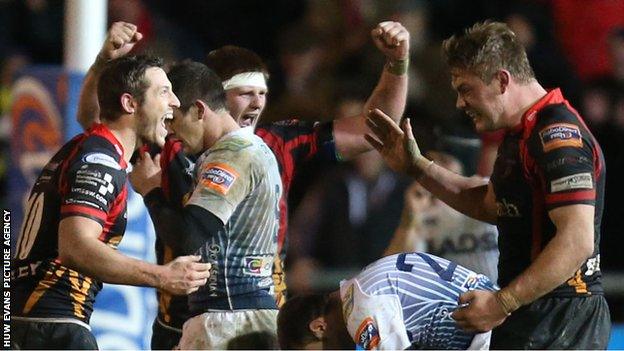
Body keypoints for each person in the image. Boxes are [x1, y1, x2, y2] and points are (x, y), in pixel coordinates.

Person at [76, 21, 410, 349]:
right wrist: (104, 63)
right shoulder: (168, 138)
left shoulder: (276, 142)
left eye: (262, 93)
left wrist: (397, 64)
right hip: (176, 320)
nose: (257, 104)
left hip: (249, 315)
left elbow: (378, 128)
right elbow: (97, 121)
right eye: (245, 93)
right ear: (208, 99)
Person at [365, 21, 610, 349]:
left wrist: (501, 303)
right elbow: (489, 203)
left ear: (502, 80)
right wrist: (417, 167)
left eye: (465, 89)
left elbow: (577, 240)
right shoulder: (520, 135)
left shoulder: (557, 137)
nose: (459, 103)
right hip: (532, 312)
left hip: (563, 316)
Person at [10, 55, 211, 349]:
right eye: (163, 92)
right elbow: (76, 246)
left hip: (30, 322)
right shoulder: (102, 161)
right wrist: (162, 276)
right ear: (130, 104)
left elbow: (91, 113)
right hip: (51, 329)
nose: (176, 102)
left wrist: (103, 60)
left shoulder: (90, 146)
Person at [129, 60, 283, 350]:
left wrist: (151, 191)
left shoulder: (233, 155)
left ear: (199, 110)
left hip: (232, 319)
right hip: (233, 314)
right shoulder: (236, 152)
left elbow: (189, 237)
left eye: (173, 120)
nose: (171, 133)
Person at [277, 252, 497, 350]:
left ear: (319, 327)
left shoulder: (361, 313)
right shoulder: (360, 287)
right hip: (497, 322)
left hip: (497, 334)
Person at [385, 151, 499, 282]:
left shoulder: (484, 192)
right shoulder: (423, 214)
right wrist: (410, 217)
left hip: (502, 292)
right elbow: (391, 274)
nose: (438, 165)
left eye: (445, 159)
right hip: (455, 299)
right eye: (432, 161)